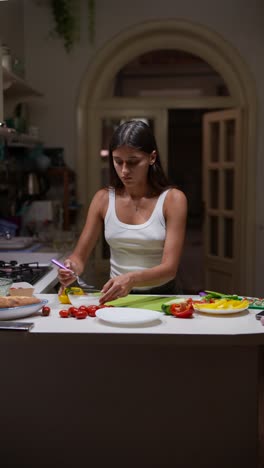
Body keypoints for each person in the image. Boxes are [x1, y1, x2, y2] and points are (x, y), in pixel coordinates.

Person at [57, 120, 188, 304]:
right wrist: (71, 268)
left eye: (133, 162)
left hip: (162, 296)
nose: (124, 170)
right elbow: (79, 257)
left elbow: (170, 268)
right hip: (117, 296)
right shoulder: (103, 199)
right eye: (118, 161)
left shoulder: (173, 200)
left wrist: (132, 278)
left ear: (152, 158)